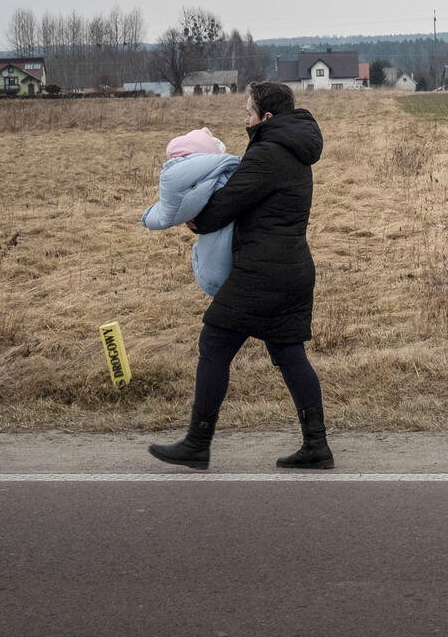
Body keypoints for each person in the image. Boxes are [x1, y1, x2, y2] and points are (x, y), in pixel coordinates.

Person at [147, 81, 333, 471]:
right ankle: (316, 445)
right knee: (288, 353)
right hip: (292, 267)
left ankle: (198, 444)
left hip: (263, 272)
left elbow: (227, 204)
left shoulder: (268, 153)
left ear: (266, 117)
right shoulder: (293, 148)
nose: (244, 119)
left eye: (248, 113)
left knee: (214, 343)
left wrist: (193, 218)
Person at [141, 127, 241, 296]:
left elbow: (164, 215)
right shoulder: (227, 172)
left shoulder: (182, 179)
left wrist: (146, 216)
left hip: (216, 271)